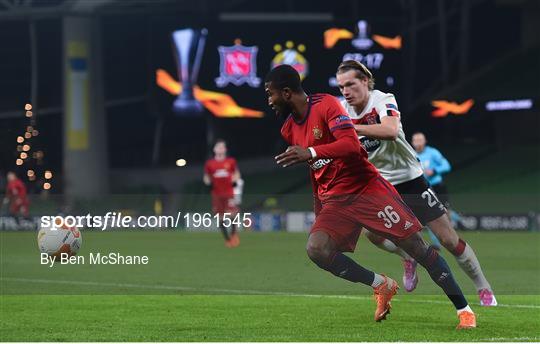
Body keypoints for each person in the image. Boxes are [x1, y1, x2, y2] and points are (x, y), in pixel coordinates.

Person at [266, 64, 476, 328]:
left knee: (417, 248)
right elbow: (315, 173)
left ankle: (464, 310)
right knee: (317, 250)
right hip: (334, 200)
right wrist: (320, 206)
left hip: (366, 190)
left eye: (270, 93)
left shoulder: (327, 104)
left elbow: (351, 145)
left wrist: (312, 152)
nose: (269, 101)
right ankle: (381, 284)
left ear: (286, 93)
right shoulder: (288, 129)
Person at [335, 59, 496, 306]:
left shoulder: (383, 99)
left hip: (410, 180)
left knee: (448, 240)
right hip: (380, 185)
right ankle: (408, 258)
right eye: (341, 86)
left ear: (365, 81)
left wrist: (351, 127)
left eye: (350, 84)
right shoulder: (342, 110)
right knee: (372, 235)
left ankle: (483, 287)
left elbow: (389, 130)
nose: (345, 91)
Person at [203, 139, 241, 248]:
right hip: (216, 194)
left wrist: (234, 181)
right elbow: (206, 177)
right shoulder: (210, 164)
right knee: (220, 217)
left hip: (229, 192)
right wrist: (208, 183)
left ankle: (233, 234)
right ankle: (228, 240)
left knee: (232, 214)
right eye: (218, 146)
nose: (220, 148)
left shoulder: (231, 161)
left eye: (222, 146)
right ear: (214, 149)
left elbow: (237, 174)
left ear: (225, 149)